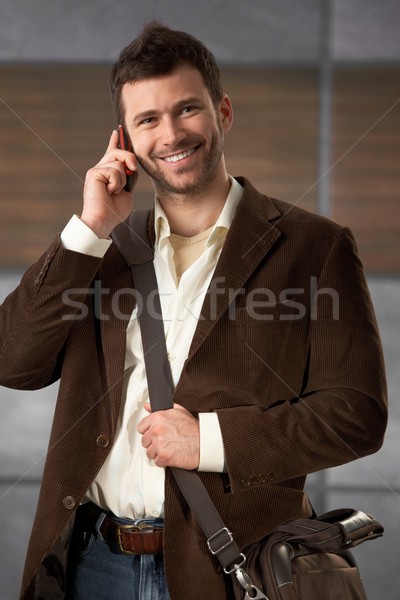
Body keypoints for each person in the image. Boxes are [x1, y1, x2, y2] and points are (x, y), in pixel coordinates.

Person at [0, 21, 387, 600]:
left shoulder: (316, 247)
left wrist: (208, 440)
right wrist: (88, 230)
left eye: (187, 109)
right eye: (148, 120)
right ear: (125, 141)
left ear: (223, 112)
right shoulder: (99, 251)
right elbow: (13, 361)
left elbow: (356, 414)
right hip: (89, 564)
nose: (172, 133)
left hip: (229, 569)